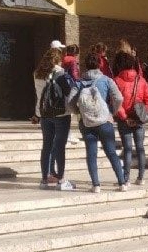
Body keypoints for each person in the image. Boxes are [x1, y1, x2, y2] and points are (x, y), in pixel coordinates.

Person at [78, 53, 127, 193]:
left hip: (87, 123)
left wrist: (80, 112)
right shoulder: (106, 80)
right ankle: (122, 182)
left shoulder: (80, 81)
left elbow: (69, 102)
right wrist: (113, 112)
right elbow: (119, 97)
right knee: (111, 152)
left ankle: (96, 185)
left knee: (91, 153)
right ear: (100, 64)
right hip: (105, 121)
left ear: (85, 65)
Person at [34, 48, 74, 191]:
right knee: (59, 147)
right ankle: (61, 180)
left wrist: (37, 114)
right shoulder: (61, 73)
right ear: (58, 59)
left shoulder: (37, 74)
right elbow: (69, 93)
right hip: (61, 115)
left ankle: (44, 179)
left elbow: (40, 96)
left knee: (46, 146)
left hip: (45, 114)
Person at [114, 53, 148, 187]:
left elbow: (115, 103)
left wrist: (125, 117)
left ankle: (126, 179)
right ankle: (141, 177)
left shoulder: (116, 81)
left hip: (123, 119)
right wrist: (142, 115)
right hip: (138, 119)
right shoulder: (141, 80)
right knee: (140, 148)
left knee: (127, 149)